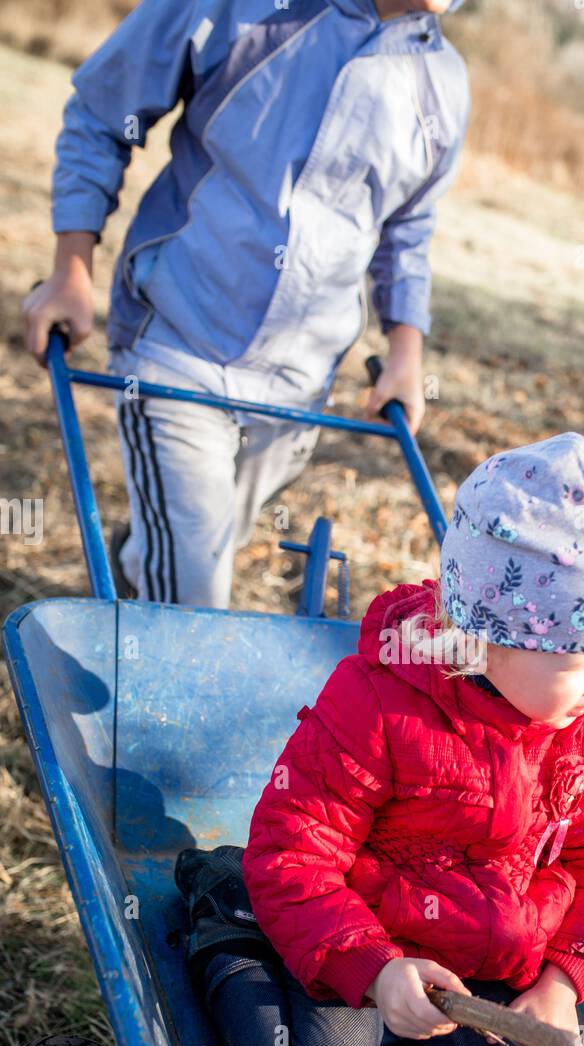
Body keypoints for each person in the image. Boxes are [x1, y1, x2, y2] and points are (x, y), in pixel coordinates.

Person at [174, 432, 584, 1046]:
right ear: (483, 638)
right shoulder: (381, 706)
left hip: (473, 964)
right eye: (580, 659)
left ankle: (413, 1035)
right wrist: (372, 969)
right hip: (357, 936)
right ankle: (230, 927)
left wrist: (563, 979)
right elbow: (295, 849)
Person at [22, 0, 469, 607]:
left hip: (298, 390)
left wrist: (405, 351)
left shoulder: (443, 84)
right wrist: (71, 268)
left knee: (208, 540)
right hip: (179, 342)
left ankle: (139, 561)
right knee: (197, 603)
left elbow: (407, 229)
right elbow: (105, 110)